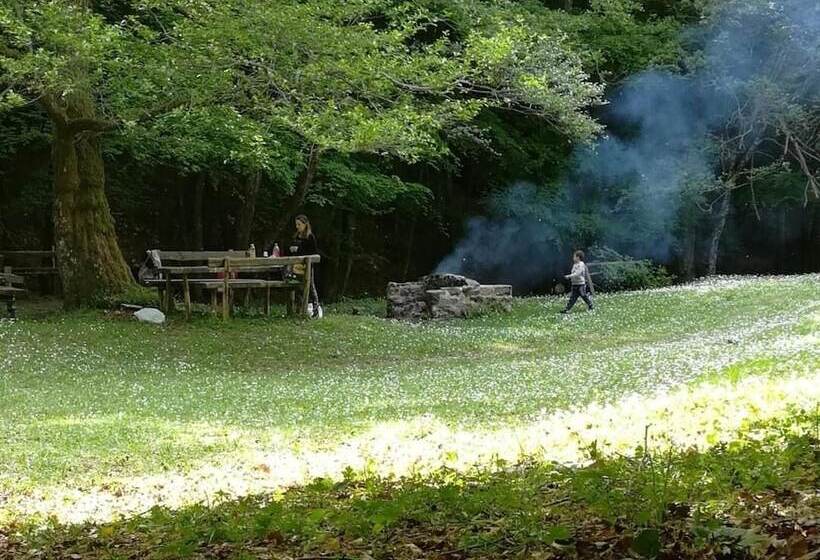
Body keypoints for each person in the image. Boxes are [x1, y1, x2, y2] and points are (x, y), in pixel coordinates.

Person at [289, 214, 322, 318]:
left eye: (299, 224)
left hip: (307, 266)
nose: (297, 227)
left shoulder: (310, 237)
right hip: (296, 265)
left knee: (310, 286)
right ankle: (300, 308)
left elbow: (313, 252)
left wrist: (299, 251)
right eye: (296, 224)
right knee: (297, 286)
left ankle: (316, 308)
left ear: (305, 224)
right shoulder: (296, 236)